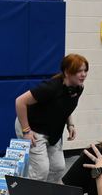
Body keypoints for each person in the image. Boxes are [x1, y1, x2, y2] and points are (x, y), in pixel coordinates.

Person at [14, 54, 88, 183]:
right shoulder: (50, 87)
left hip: (52, 131)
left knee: (58, 168)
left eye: (85, 70)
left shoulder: (78, 88)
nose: (83, 74)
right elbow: (20, 102)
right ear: (67, 72)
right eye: (79, 71)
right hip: (32, 128)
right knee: (40, 171)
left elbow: (66, 106)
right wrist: (26, 131)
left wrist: (70, 124)